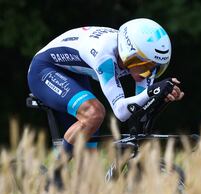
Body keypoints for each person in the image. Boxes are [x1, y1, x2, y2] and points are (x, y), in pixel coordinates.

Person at [27, 18, 184, 159]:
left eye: (156, 67)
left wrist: (160, 96)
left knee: (89, 163)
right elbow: (121, 112)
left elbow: (140, 110)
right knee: (93, 113)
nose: (149, 73)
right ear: (129, 54)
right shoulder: (105, 55)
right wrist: (152, 92)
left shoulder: (142, 59)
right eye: (145, 66)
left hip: (76, 73)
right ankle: (55, 176)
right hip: (44, 69)